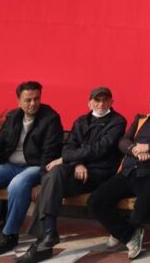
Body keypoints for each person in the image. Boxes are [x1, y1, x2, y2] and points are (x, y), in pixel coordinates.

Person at [15, 87, 127, 263]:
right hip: (78, 172)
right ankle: (48, 234)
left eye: (105, 100)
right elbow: (68, 147)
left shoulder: (118, 121)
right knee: (54, 174)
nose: (101, 104)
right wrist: (77, 163)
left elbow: (99, 149)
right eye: (97, 100)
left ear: (111, 102)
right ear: (89, 103)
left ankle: (43, 244)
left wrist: (66, 159)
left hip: (100, 174)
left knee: (49, 185)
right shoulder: (81, 121)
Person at [0, 81, 64, 257]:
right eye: (28, 100)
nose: (33, 103)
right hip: (10, 165)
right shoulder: (13, 117)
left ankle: (9, 235)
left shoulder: (50, 118)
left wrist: (42, 183)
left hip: (35, 167)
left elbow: (50, 153)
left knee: (18, 184)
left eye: (36, 98)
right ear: (18, 101)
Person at [88, 88, 150, 260]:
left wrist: (149, 147)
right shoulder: (140, 119)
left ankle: (123, 232)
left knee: (143, 206)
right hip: (129, 171)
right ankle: (127, 234)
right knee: (95, 201)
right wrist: (135, 149)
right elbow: (123, 141)